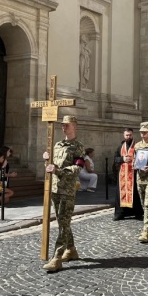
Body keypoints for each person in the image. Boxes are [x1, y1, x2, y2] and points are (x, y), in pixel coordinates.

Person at [41, 115, 85, 272]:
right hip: (54, 188)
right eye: (62, 125)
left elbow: (77, 168)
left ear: (75, 126)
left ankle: (57, 258)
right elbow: (51, 165)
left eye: (67, 125)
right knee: (62, 221)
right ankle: (71, 249)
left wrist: (58, 171)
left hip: (67, 190)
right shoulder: (57, 145)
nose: (63, 127)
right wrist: (47, 159)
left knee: (63, 224)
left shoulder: (78, 147)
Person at [113, 128, 144, 221]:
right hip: (122, 174)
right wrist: (122, 159)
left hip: (133, 174)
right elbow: (115, 158)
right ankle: (120, 213)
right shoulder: (120, 146)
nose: (128, 137)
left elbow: (142, 158)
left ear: (132, 135)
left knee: (135, 194)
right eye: (127, 135)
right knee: (120, 195)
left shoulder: (137, 146)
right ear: (124, 135)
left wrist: (136, 162)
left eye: (130, 135)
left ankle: (137, 213)